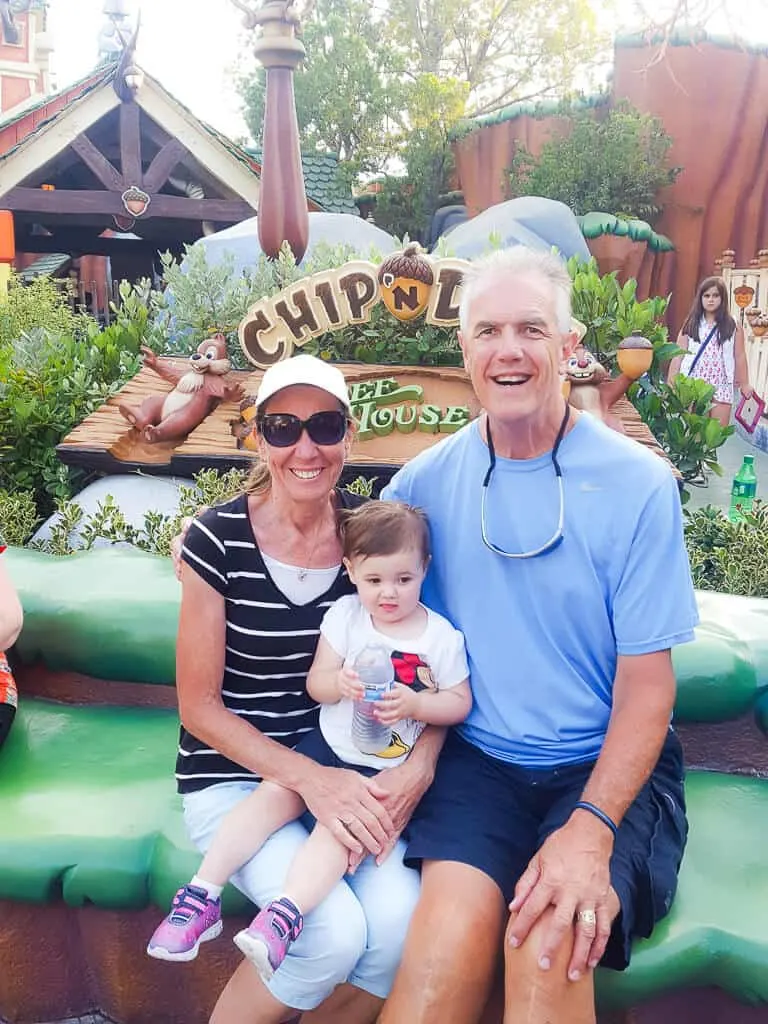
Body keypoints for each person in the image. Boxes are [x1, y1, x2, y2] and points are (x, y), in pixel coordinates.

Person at [377, 246, 699, 1024]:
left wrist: (591, 829)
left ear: (567, 344)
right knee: (439, 959)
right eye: (487, 330)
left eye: (531, 328)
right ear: (464, 350)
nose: (509, 350)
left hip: (603, 768)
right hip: (480, 763)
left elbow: (648, 688)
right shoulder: (421, 487)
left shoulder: (638, 485)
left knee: (549, 943)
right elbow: (384, 625)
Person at [166, 354, 445, 1024]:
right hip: (238, 782)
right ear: (258, 438)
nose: (305, 448)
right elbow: (198, 708)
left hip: (349, 771)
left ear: (349, 434)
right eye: (283, 427)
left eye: (323, 425)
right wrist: (309, 780)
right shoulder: (217, 538)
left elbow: (433, 656)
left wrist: (419, 767)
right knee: (332, 931)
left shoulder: (373, 540)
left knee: (401, 928)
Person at [149, 501, 470, 983]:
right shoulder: (347, 614)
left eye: (404, 580)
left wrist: (418, 705)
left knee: (338, 840)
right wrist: (340, 683)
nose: (389, 592)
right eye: (375, 580)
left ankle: (286, 912)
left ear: (424, 569)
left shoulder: (439, 637)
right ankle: (201, 893)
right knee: (270, 798)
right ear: (352, 572)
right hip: (322, 747)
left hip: (375, 768)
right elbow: (315, 683)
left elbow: (459, 702)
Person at [667, 275, 752, 427]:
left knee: (717, 431)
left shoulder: (732, 325)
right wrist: (671, 381)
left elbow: (739, 356)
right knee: (695, 431)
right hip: (695, 382)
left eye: (715, 295)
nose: (710, 299)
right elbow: (678, 355)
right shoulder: (691, 322)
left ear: (723, 298)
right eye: (706, 295)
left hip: (722, 383)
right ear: (700, 298)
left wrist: (745, 383)